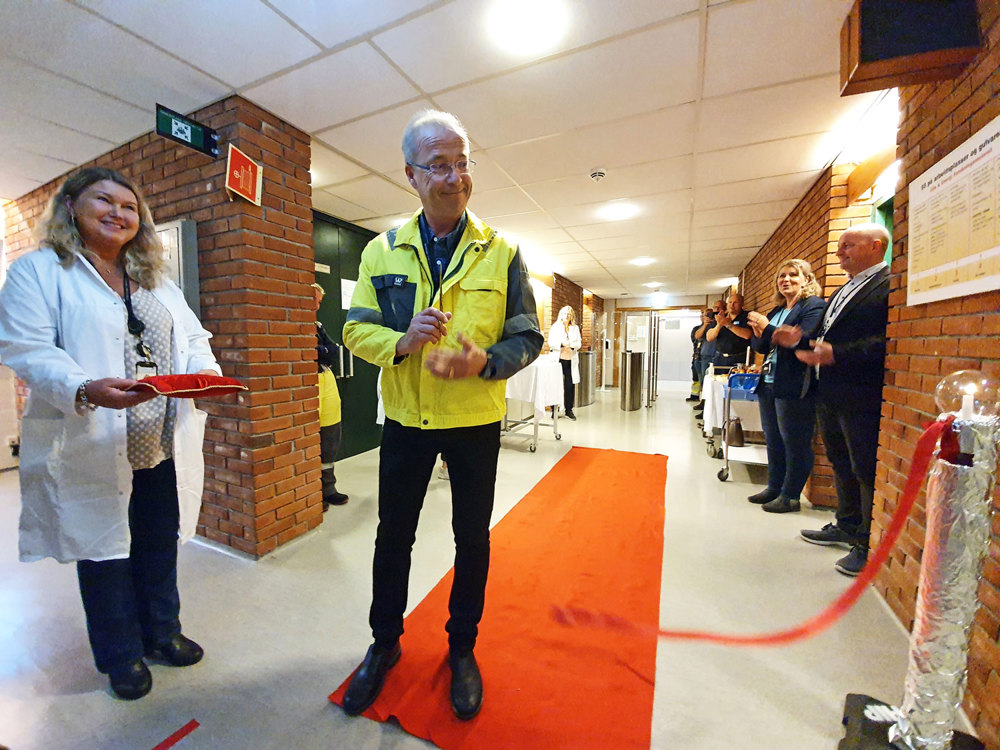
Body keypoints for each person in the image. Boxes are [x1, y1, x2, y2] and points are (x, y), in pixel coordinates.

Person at [341, 109, 543, 720]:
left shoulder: (502, 251)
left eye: (462, 163)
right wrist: (402, 341)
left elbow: (528, 336)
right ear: (411, 174)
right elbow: (353, 329)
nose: (455, 176)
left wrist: (486, 362)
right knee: (392, 537)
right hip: (406, 419)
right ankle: (383, 645)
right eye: (439, 164)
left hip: (475, 422)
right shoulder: (382, 251)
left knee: (471, 539)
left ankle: (461, 650)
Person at [0, 167, 222, 700]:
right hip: (93, 440)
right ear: (72, 206)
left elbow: (192, 335)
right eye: (105, 200)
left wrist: (206, 375)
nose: (119, 212)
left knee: (157, 544)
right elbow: (27, 348)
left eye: (130, 206)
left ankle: (163, 633)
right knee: (104, 554)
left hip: (161, 442)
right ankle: (121, 656)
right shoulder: (39, 272)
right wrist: (84, 386)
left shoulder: (153, 278)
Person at [795, 223, 890, 576]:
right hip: (829, 391)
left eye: (848, 246)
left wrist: (838, 354)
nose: (840, 254)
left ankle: (866, 543)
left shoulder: (888, 285)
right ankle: (846, 523)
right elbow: (826, 336)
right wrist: (801, 343)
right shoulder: (845, 289)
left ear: (876, 246)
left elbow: (887, 341)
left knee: (864, 466)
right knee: (839, 460)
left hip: (859, 394)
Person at [745, 259, 826, 513]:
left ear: (806, 280)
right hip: (769, 382)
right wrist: (763, 332)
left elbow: (802, 340)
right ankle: (774, 486)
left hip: (793, 383)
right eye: (782, 276)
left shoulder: (812, 306)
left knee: (795, 441)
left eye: (793, 275)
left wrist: (767, 329)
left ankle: (790, 496)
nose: (786, 280)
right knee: (773, 439)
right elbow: (760, 346)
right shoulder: (776, 310)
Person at [311, 283, 349, 510]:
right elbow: (313, 352)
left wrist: (323, 351)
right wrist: (322, 351)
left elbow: (334, 350)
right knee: (310, 438)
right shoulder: (293, 325)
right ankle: (312, 491)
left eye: (319, 302)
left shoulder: (317, 326)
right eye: (312, 300)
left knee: (330, 436)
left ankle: (328, 489)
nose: (316, 306)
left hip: (327, 382)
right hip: (310, 384)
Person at [547, 305, 582, 420]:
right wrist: (562, 344)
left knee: (569, 386)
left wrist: (572, 345)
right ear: (560, 315)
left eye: (569, 314)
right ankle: (554, 410)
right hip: (558, 360)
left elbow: (579, 343)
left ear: (572, 316)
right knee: (555, 385)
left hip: (570, 360)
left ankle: (569, 410)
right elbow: (551, 342)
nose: (566, 316)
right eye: (564, 313)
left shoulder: (575, 328)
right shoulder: (555, 327)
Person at [706, 292, 751, 369]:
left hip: (738, 359)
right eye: (730, 302)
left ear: (742, 304)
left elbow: (747, 335)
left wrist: (728, 324)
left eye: (735, 302)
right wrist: (719, 325)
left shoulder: (747, 316)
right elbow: (709, 337)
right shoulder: (720, 316)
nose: (732, 305)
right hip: (720, 358)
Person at [686, 310, 709, 402]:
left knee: (704, 379)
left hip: (707, 357)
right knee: (696, 377)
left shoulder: (713, 327)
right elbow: (695, 338)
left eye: (706, 315)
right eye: (702, 316)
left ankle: (704, 400)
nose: (704, 317)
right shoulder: (697, 328)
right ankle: (694, 395)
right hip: (697, 356)